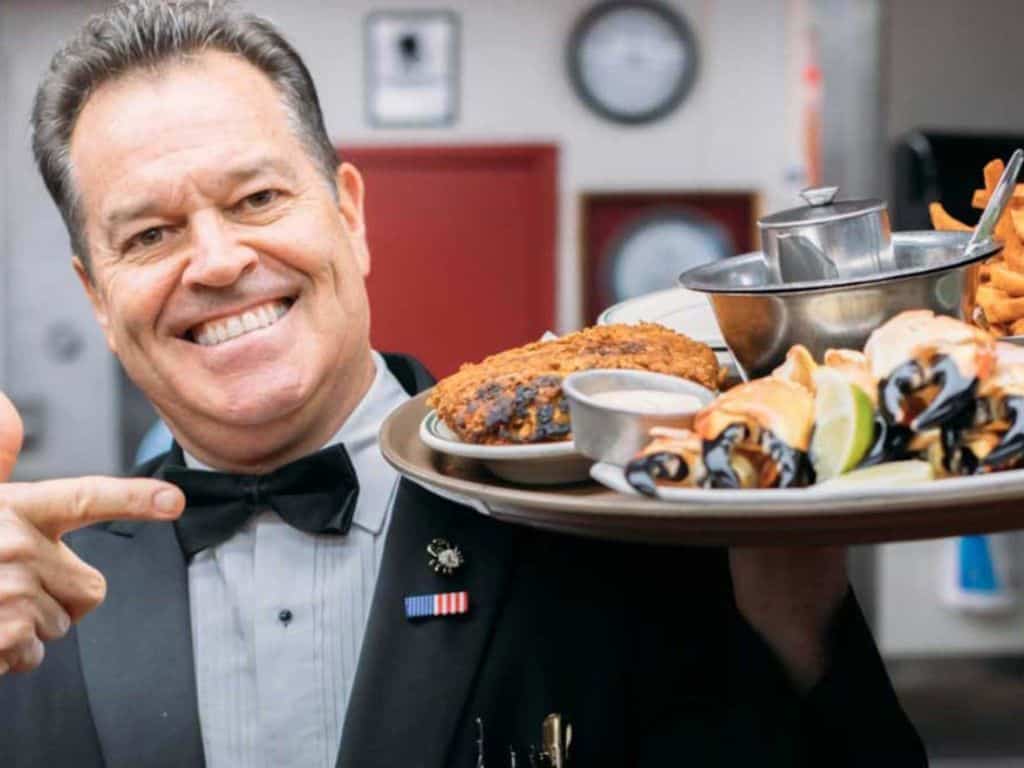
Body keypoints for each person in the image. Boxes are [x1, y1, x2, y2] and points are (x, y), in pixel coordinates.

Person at [0, 2, 926, 766]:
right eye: (150, 235)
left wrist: (787, 591)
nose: (215, 259)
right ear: (95, 295)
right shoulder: (31, 593)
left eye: (257, 200)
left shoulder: (601, 523)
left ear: (350, 216)